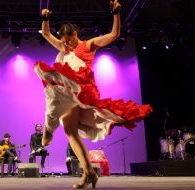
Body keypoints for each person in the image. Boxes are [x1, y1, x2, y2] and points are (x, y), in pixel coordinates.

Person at [34, 0, 153, 188]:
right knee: (70, 132)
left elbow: (114, 34)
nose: (66, 45)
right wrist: (45, 19)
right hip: (67, 91)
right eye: (63, 42)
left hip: (81, 91)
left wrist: (116, 15)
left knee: (64, 123)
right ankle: (89, 173)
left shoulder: (89, 45)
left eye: (68, 40)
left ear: (75, 34)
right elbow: (47, 33)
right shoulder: (64, 48)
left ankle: (50, 130)